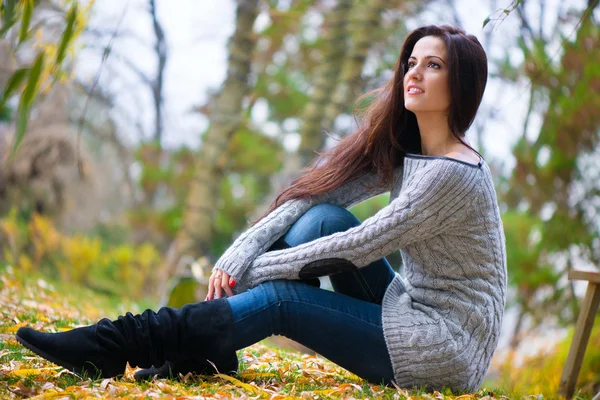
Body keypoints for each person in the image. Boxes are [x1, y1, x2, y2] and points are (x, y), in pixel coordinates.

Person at [16, 25, 506, 393]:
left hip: (443, 349)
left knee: (281, 301)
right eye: (411, 62)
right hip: (410, 309)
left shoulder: (452, 175)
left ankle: (119, 343)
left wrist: (254, 275)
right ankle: (205, 347)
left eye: (433, 65)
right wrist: (240, 252)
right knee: (318, 219)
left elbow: (359, 246)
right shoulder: (412, 151)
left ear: (458, 85)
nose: (413, 73)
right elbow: (314, 196)